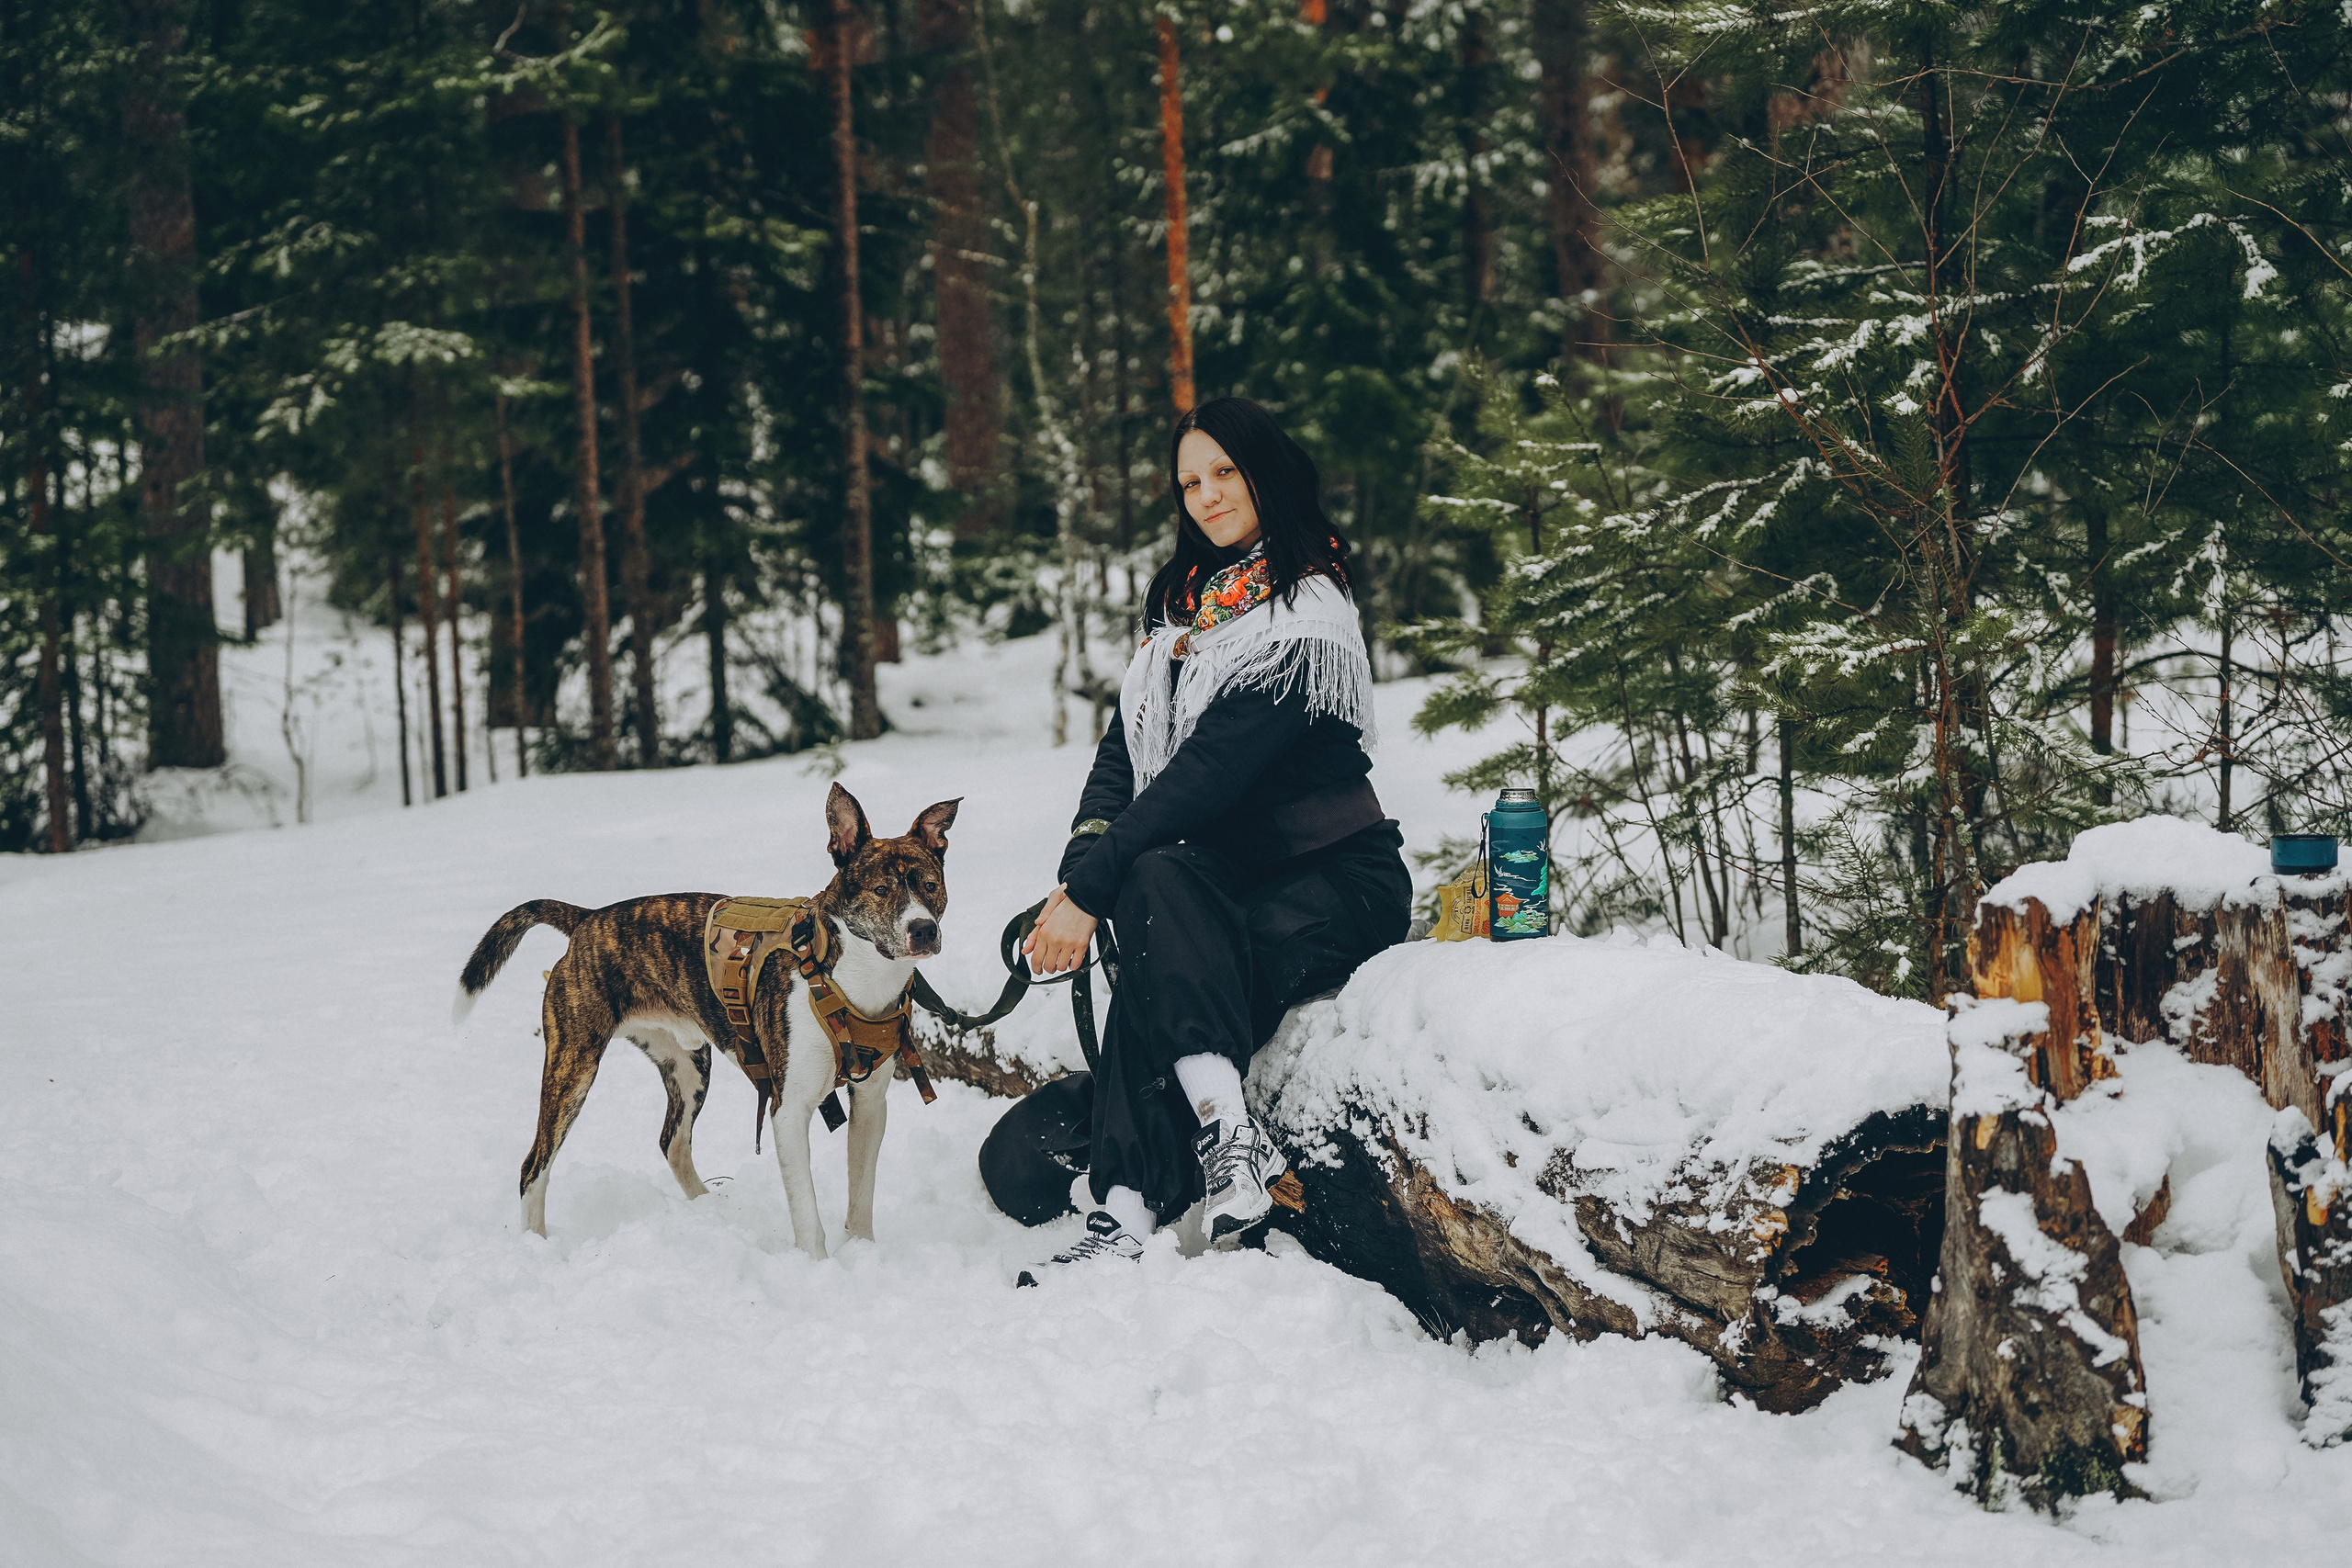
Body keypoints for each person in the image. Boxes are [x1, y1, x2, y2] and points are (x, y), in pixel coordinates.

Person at [1018, 396, 1412, 1278]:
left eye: (1226, 472)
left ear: (1265, 471)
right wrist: (1085, 864)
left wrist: (1090, 895)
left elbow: (1206, 774)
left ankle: (1126, 1203)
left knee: (1157, 915)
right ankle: (1210, 1149)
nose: (1207, 494)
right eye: (1190, 480)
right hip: (1218, 886)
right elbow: (1127, 748)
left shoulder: (1304, 609)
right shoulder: (1182, 607)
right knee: (1155, 888)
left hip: (1331, 884)